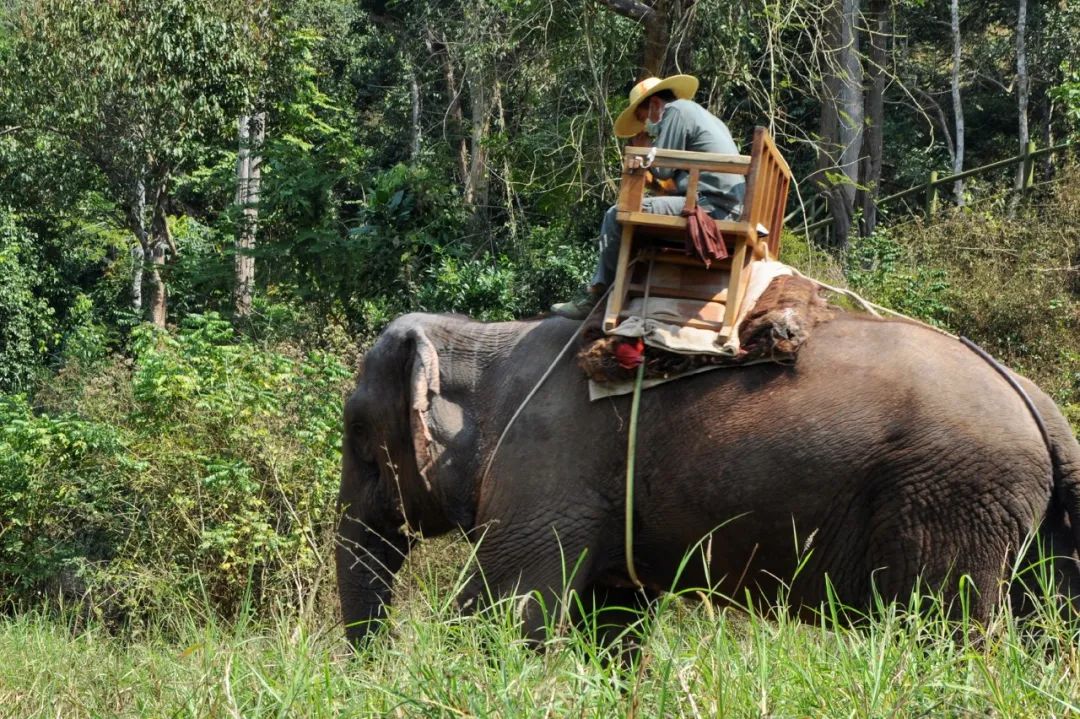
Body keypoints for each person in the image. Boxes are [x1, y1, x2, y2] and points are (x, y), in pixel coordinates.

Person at [551, 74, 747, 319]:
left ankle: (598, 296)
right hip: (724, 202)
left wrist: (643, 150)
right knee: (633, 209)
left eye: (644, 119)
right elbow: (674, 183)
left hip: (710, 205)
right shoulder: (702, 115)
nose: (647, 127)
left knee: (616, 214)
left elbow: (663, 169)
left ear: (655, 105)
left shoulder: (675, 111)